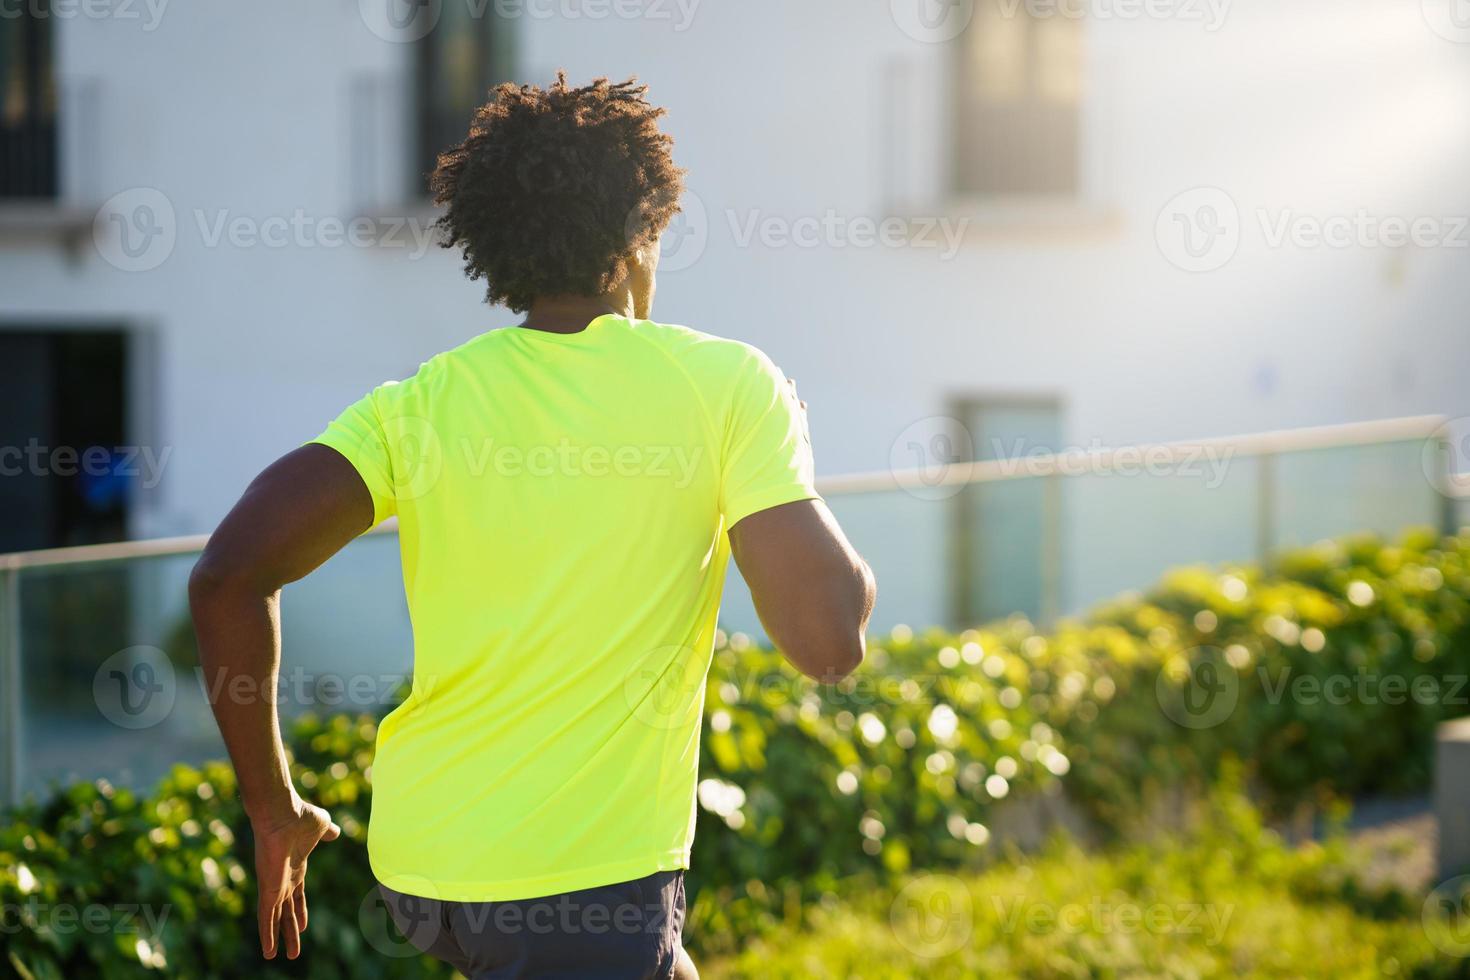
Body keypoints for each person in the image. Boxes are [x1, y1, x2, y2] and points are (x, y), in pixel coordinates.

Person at [188, 74, 876, 980]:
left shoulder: (423, 400)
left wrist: (274, 812)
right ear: (642, 232)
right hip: (577, 884)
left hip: (424, 867)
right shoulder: (726, 384)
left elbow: (228, 576)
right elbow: (828, 642)